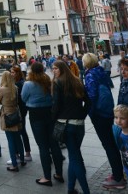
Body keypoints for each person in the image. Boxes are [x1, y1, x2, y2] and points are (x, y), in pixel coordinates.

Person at [82, 53, 126, 190]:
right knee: (111, 143)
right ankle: (118, 173)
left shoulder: (90, 75)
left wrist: (87, 111)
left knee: (108, 145)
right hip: (107, 111)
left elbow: (92, 96)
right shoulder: (100, 71)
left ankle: (118, 178)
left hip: (99, 113)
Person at [21, 62, 64, 187]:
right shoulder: (49, 81)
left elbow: (23, 98)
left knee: (43, 146)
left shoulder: (28, 84)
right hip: (50, 113)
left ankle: (47, 177)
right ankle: (59, 173)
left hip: (36, 115)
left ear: (31, 71)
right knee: (54, 144)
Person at [52, 61, 91, 194]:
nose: (53, 71)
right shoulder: (77, 81)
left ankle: (86, 191)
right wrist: (82, 115)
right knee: (74, 156)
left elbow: (56, 105)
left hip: (66, 125)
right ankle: (70, 189)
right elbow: (88, 101)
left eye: (55, 68)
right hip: (79, 125)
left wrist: (53, 120)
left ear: (62, 69)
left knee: (75, 158)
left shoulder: (58, 83)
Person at [0, 71, 24, 172]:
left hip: (7, 115)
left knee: (10, 140)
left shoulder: (2, 89)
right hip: (15, 113)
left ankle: (14, 163)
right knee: (18, 138)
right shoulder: (15, 88)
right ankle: (22, 159)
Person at [10, 65, 32, 162]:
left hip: (19, 110)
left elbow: (17, 98)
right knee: (22, 131)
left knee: (19, 131)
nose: (11, 74)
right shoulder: (21, 82)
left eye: (13, 72)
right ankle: (26, 152)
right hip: (23, 109)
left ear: (18, 73)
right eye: (11, 72)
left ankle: (20, 154)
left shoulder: (18, 84)